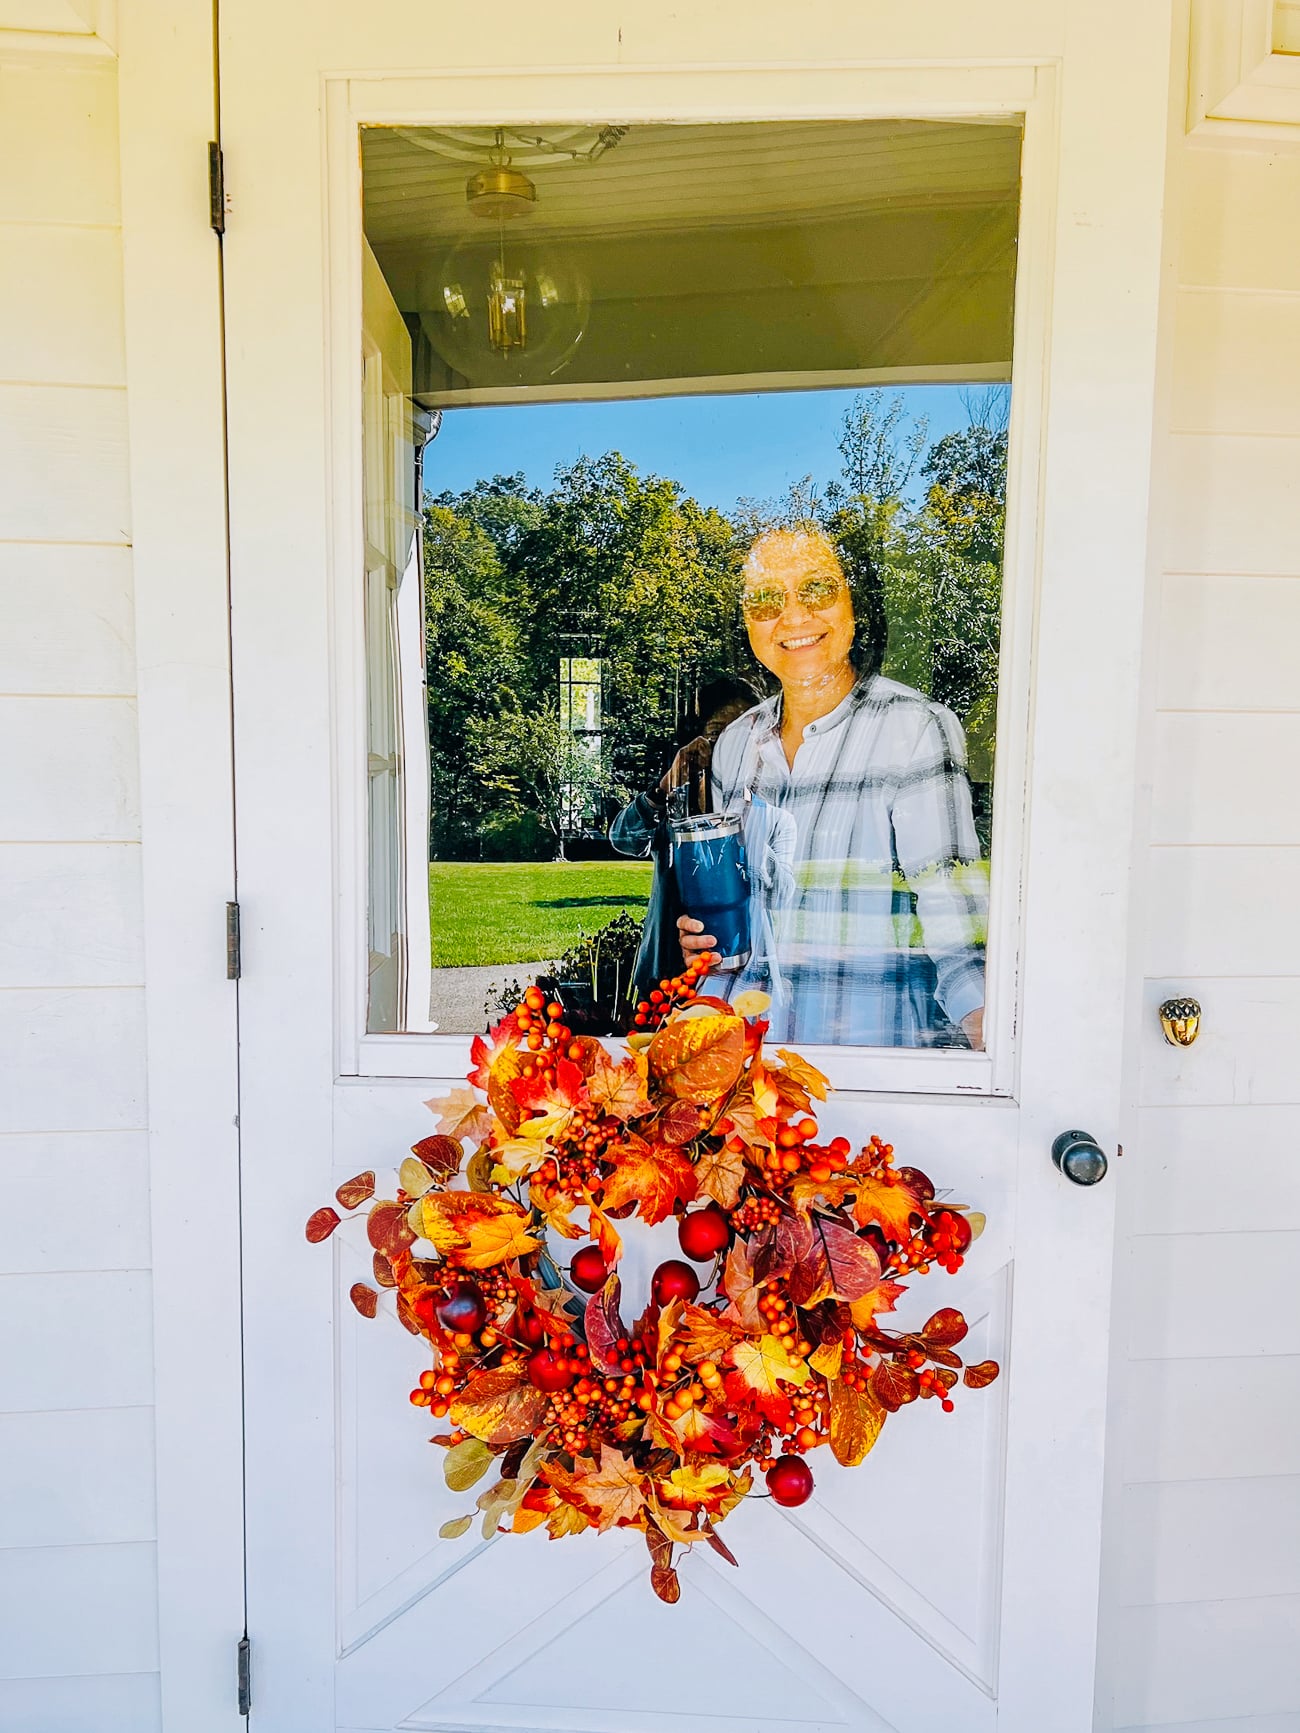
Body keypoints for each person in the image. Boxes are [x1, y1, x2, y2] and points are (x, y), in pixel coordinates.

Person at [677, 524, 987, 1049]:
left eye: (817, 590)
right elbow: (743, 917)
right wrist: (708, 944)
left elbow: (951, 909)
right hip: (750, 1065)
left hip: (866, 1060)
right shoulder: (736, 744)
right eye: (766, 600)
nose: (793, 616)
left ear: (855, 605)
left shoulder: (912, 728)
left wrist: (987, 1032)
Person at [609, 677, 755, 998]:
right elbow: (623, 838)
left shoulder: (759, 810)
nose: (726, 748)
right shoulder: (676, 802)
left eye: (741, 737)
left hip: (734, 977)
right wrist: (662, 788)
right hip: (664, 979)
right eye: (717, 735)